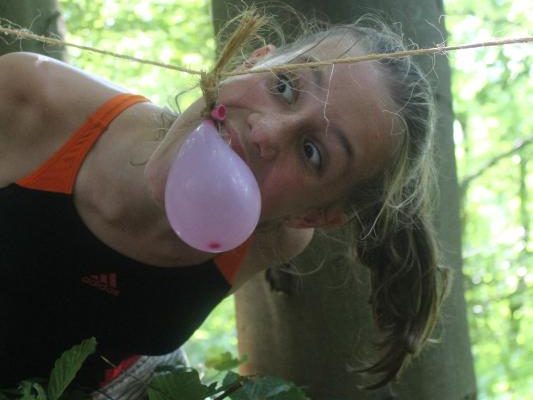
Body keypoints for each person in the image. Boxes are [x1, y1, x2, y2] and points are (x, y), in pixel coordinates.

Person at [0, 14, 446, 396]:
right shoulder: (28, 97)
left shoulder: (270, 238)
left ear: (311, 215)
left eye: (312, 152)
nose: (266, 131)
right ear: (250, 62)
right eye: (285, 85)